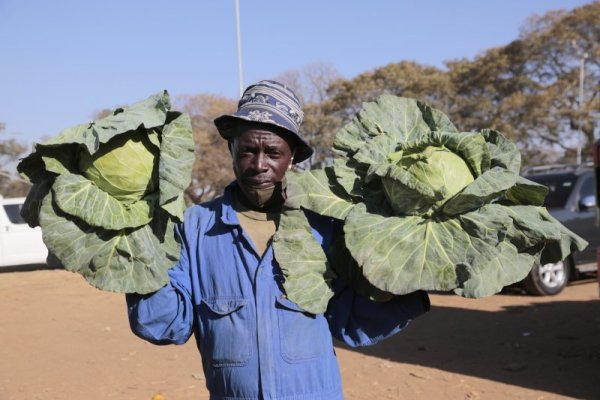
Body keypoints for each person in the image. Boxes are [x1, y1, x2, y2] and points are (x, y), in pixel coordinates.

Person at [126, 80, 430, 400]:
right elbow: (166, 323)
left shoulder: (323, 228)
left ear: (292, 157)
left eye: (273, 152)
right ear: (231, 148)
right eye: (247, 150)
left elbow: (350, 320)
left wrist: (410, 275)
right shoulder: (193, 230)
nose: (259, 165)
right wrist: (136, 249)